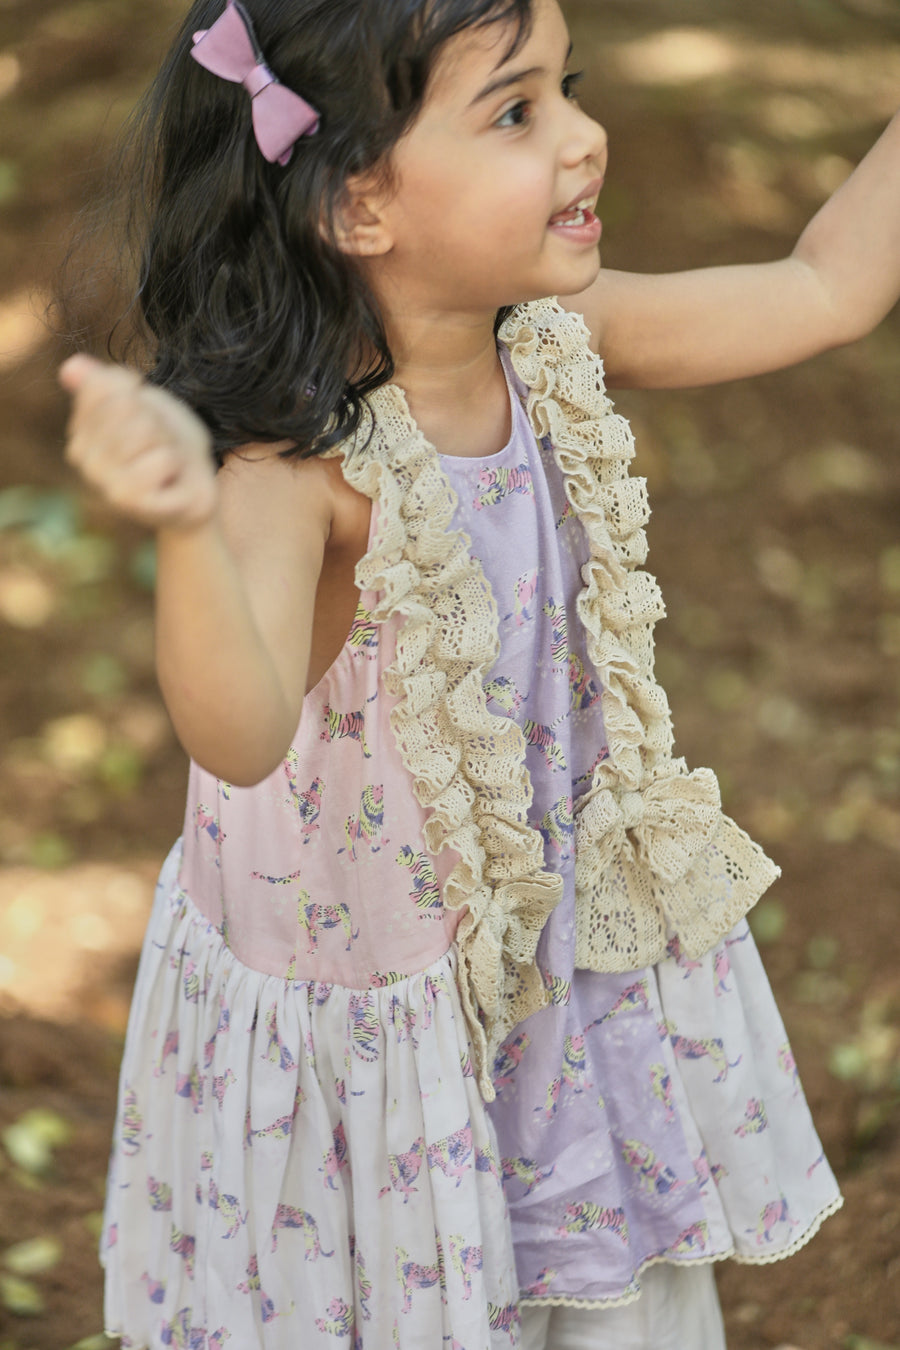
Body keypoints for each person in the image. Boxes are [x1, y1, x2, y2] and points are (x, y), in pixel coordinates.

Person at [59, 0, 900, 1345]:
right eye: (518, 112)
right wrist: (185, 528)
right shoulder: (297, 461)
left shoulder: (548, 337)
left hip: (548, 976)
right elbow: (237, 726)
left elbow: (825, 286)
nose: (586, 138)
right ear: (358, 205)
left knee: (602, 1291)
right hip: (380, 1024)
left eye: (569, 88)